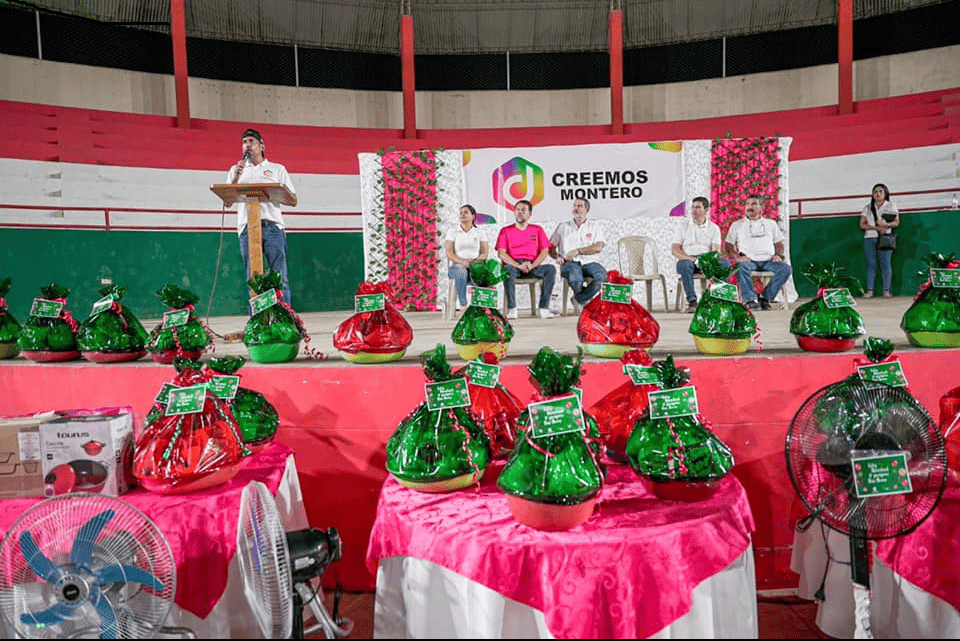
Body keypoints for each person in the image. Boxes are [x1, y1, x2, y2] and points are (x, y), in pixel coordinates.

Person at [229, 127, 297, 307]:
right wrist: (236, 176)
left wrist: (271, 193)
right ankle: (258, 322)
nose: (247, 145)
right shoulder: (236, 171)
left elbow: (293, 199)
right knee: (253, 279)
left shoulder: (277, 169)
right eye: (244, 142)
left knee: (279, 277)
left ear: (262, 146)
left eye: (251, 141)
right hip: (247, 228)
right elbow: (227, 200)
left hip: (272, 227)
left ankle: (286, 321)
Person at [724, 194, 792, 311]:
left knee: (786, 269)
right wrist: (737, 257)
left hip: (768, 260)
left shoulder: (770, 224)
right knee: (740, 267)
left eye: (754, 204)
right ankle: (750, 300)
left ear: (761, 207)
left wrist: (777, 255)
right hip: (749, 261)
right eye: (748, 204)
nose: (750, 207)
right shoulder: (737, 225)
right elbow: (728, 245)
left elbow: (779, 243)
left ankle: (765, 298)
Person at [495, 199, 556, 319]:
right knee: (506, 270)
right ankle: (512, 309)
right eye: (517, 210)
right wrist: (518, 266)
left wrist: (532, 265)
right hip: (513, 266)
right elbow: (501, 253)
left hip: (532, 266)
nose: (520, 212)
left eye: (523, 210)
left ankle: (544, 308)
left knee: (551, 269)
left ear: (530, 214)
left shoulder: (537, 229)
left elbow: (545, 251)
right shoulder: (505, 231)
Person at [549, 197, 607, 313]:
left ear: (587, 210)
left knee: (603, 277)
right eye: (575, 206)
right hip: (570, 263)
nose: (576, 208)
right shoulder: (563, 227)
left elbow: (598, 247)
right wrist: (557, 257)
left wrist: (578, 251)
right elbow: (550, 247)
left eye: (580, 206)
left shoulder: (594, 226)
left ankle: (578, 299)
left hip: (591, 262)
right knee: (576, 280)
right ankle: (584, 301)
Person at [672, 196, 730, 313]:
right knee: (685, 265)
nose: (694, 210)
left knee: (724, 264)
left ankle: (720, 300)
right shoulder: (683, 226)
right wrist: (692, 259)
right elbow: (675, 250)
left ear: (706, 210)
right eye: (693, 207)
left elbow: (715, 251)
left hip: (706, 258)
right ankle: (692, 301)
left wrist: (706, 261)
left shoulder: (713, 228)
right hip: (688, 259)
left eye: (698, 207)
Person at [859, 183, 899, 298]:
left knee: (886, 264)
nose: (877, 194)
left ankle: (886, 291)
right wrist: (875, 227)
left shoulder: (891, 206)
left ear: (885, 193)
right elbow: (862, 224)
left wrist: (886, 224)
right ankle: (870, 291)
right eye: (875, 191)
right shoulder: (867, 207)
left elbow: (896, 222)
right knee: (871, 264)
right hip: (870, 238)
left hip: (885, 238)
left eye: (880, 191)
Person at [445, 204, 489, 310]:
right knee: (461, 271)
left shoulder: (480, 233)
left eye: (466, 212)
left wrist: (474, 262)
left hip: (475, 265)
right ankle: (463, 304)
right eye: (461, 213)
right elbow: (449, 253)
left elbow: (484, 253)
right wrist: (462, 262)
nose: (462, 215)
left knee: (478, 271)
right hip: (457, 267)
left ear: (473, 216)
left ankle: (479, 306)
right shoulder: (452, 232)